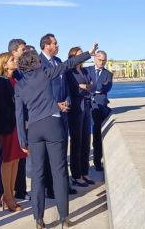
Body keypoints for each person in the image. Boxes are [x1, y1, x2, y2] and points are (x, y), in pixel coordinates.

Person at [15, 43, 98, 229]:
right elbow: (68, 64)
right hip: (53, 125)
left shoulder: (19, 85)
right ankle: (64, 218)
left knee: (37, 175)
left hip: (34, 130)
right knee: (59, 172)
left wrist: (22, 140)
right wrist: (88, 54)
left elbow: (19, 115)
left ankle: (38, 219)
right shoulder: (44, 74)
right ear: (36, 62)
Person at [38, 33, 77, 198]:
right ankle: (50, 187)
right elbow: (40, 91)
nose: (57, 45)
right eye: (54, 43)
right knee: (49, 153)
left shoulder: (59, 62)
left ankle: (63, 184)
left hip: (64, 112)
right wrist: (55, 105)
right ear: (47, 46)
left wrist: (67, 100)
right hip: (49, 113)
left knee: (62, 150)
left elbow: (65, 84)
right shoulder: (39, 63)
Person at [0, 52, 27, 212]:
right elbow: (3, 106)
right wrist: (17, 120)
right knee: (8, 160)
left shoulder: (15, 80)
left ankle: (10, 193)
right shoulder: (0, 81)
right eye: (12, 60)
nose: (16, 61)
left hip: (17, 126)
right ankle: (7, 195)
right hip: (9, 127)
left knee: (16, 160)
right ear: (5, 64)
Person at [66, 47, 95, 187]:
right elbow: (73, 89)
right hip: (76, 110)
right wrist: (81, 87)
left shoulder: (84, 71)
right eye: (80, 55)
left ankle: (85, 172)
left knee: (86, 141)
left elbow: (91, 85)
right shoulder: (69, 72)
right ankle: (76, 175)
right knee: (76, 142)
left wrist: (84, 86)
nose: (83, 56)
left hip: (86, 108)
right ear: (73, 56)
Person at [87, 50, 113, 171]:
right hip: (88, 106)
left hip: (101, 107)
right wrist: (96, 88)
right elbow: (82, 84)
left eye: (104, 60)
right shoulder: (87, 71)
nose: (102, 62)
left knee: (98, 134)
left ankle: (98, 161)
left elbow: (106, 88)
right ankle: (90, 161)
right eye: (99, 59)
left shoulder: (108, 74)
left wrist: (91, 87)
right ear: (94, 59)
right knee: (89, 135)